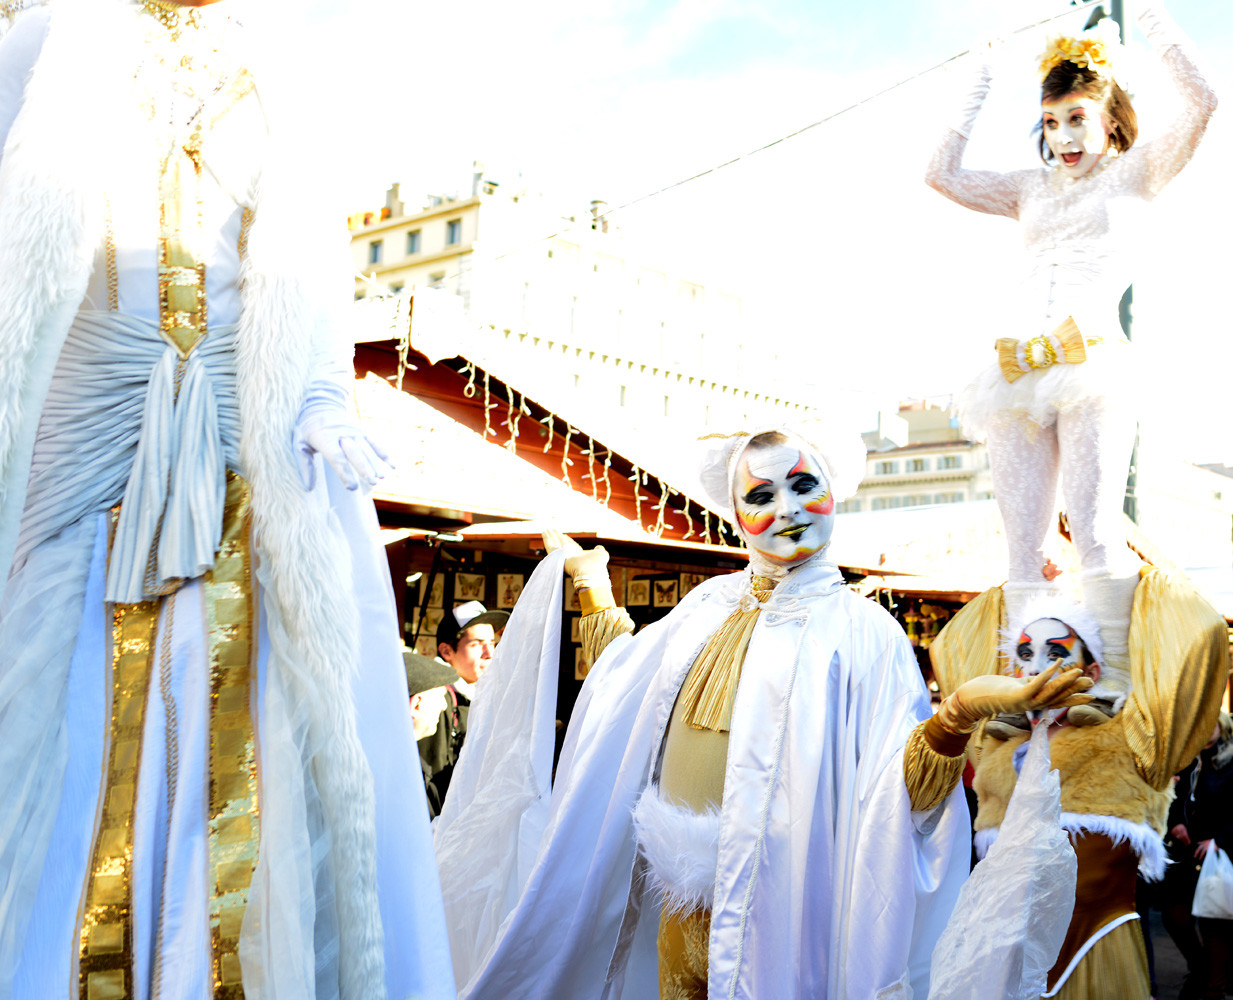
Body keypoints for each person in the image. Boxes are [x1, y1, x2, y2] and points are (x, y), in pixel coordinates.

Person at [0, 1, 452, 997]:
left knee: (260, 761)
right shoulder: (46, 40)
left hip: (246, 461)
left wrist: (326, 401)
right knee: (54, 747)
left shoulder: (284, 73)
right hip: (85, 454)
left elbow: (311, 277)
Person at [434, 424, 1091, 999]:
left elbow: (902, 799)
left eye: (803, 485)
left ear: (833, 491)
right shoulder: (704, 609)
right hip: (676, 899)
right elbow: (627, 688)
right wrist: (590, 586)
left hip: (787, 905)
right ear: (734, 516)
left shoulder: (863, 633)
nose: (788, 508)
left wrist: (954, 719)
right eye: (760, 495)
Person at [925, 4, 1217, 686]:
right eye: (1050, 123)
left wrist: (1150, 14)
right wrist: (978, 77)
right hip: (1015, 373)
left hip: (1093, 366)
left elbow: (1204, 99)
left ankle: (1110, 688)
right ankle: (1024, 686)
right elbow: (939, 175)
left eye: (1076, 117)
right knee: (1022, 547)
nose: (1063, 136)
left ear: (1110, 115)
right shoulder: (1027, 187)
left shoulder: (1140, 170)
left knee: (1092, 531)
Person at [931, 581, 1227, 1000]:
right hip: (1004, 957)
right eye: (1024, 655)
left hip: (1095, 951)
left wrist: (1103, 556)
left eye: (1055, 654)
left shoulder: (1128, 740)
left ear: (1090, 673)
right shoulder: (994, 746)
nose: (1035, 669)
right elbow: (958, 647)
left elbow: (1197, 642)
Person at [415, 601, 508, 817]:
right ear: (447, 651)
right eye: (477, 644)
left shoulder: (480, 694)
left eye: (492, 643)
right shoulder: (436, 699)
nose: (489, 653)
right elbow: (431, 779)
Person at [1184, 714, 1233, 1000]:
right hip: (1198, 854)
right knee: (1203, 920)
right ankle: (1210, 980)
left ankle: (1215, 987)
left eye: (1209, 724)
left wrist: (1221, 840)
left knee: (1217, 923)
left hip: (1222, 854)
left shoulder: (1227, 761)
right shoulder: (1196, 759)